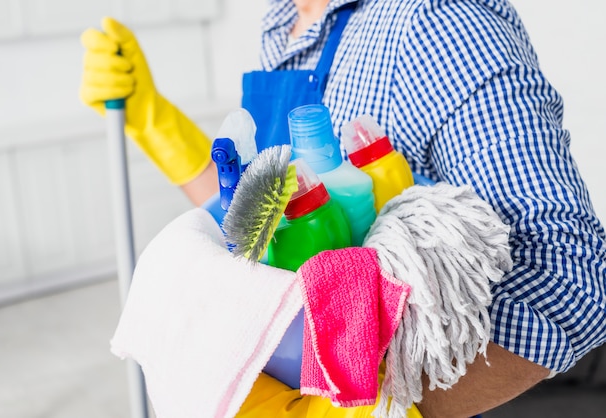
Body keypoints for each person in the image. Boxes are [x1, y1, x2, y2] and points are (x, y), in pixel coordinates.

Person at [80, 0, 606, 416]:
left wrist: (367, 411)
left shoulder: (436, 24)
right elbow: (270, 233)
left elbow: (571, 277)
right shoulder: (284, 24)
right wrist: (155, 123)